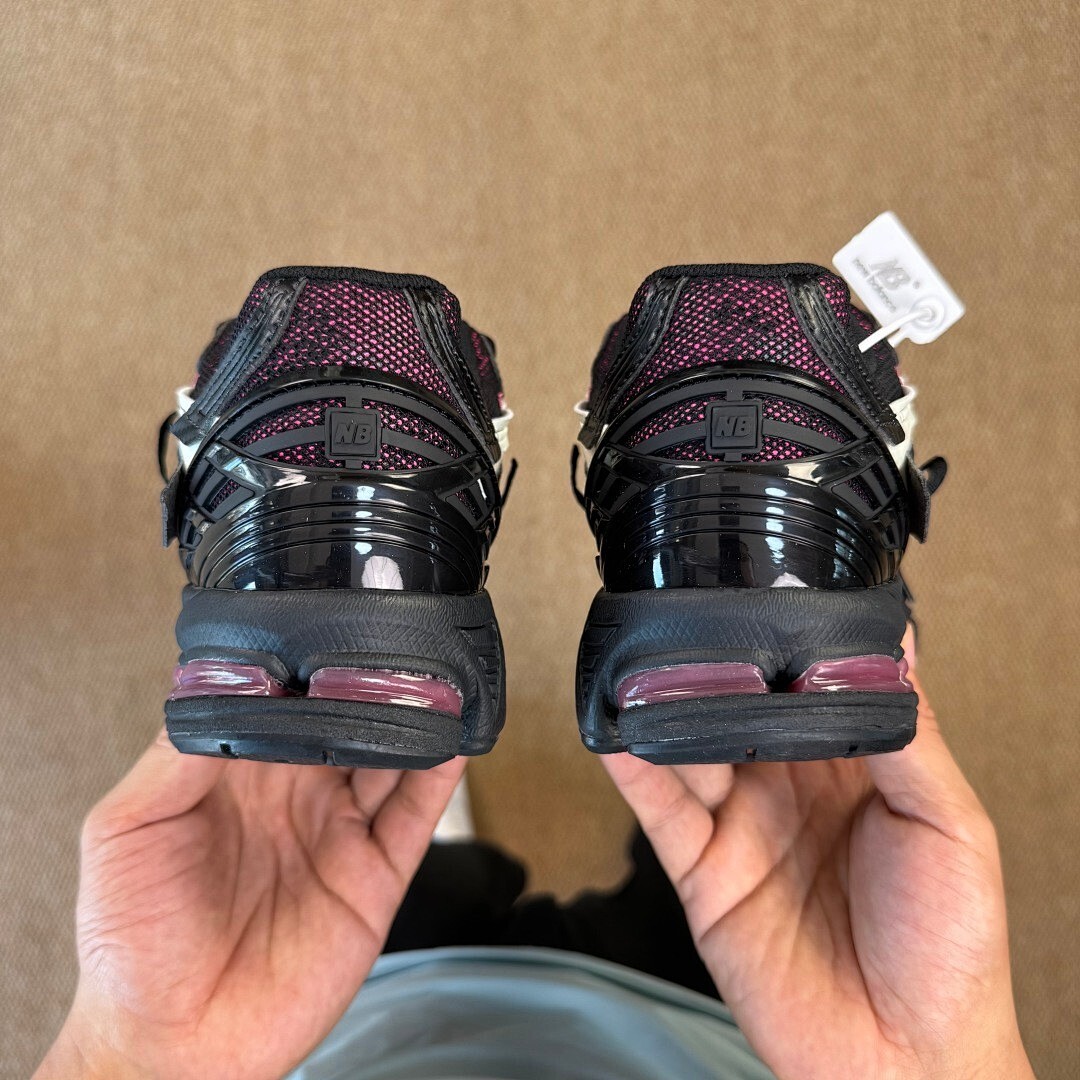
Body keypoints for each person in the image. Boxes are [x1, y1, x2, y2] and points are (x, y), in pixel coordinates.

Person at [36, 631, 1034, 1079]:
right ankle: (422, 792)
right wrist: (925, 1067)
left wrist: (142, 1057)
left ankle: (409, 802)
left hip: (354, 1003)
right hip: (743, 1016)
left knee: (408, 865)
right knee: (740, 811)